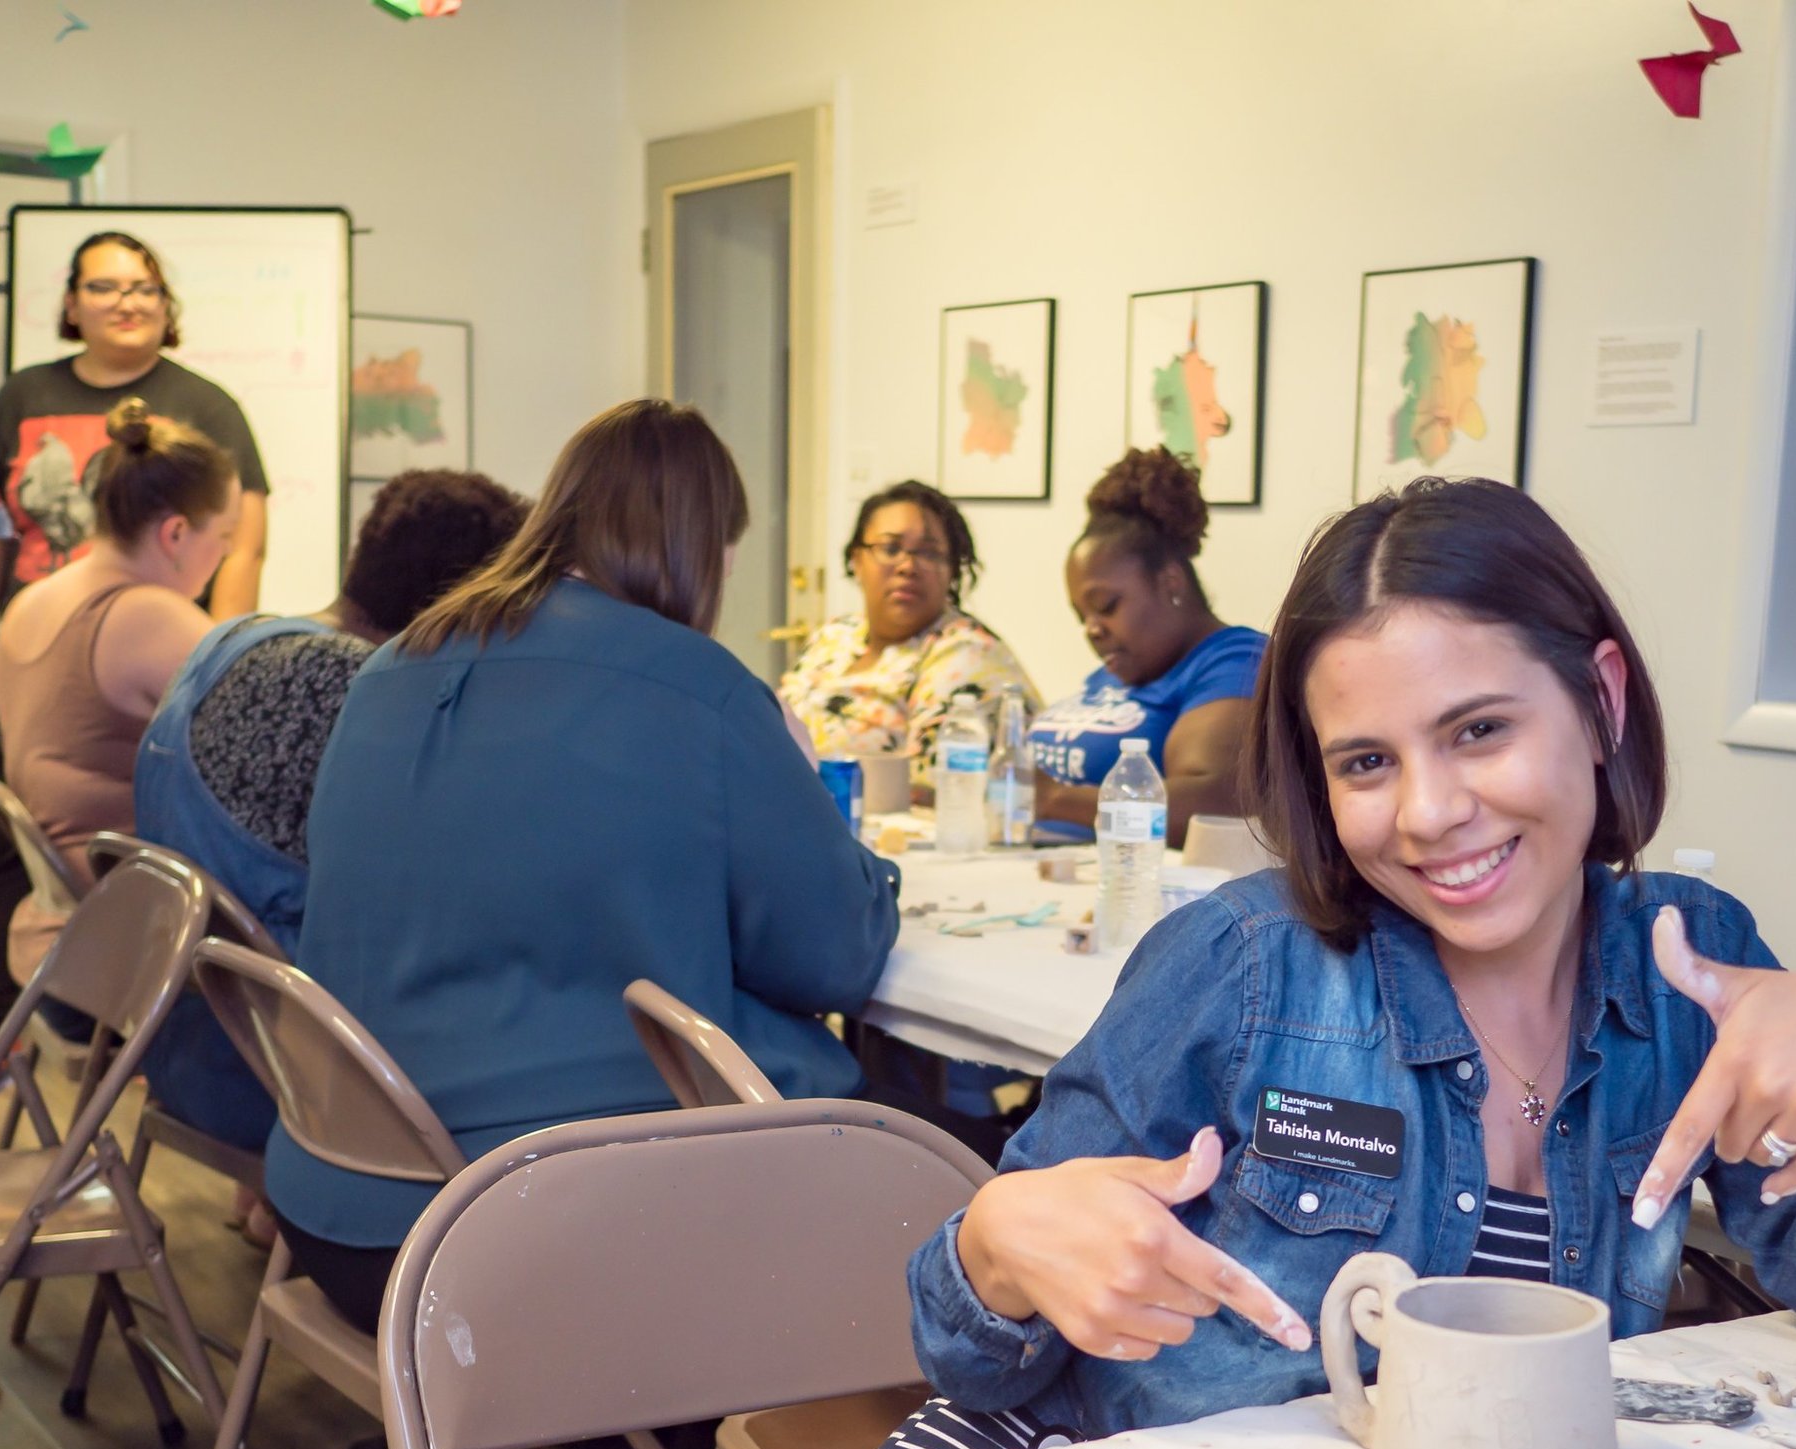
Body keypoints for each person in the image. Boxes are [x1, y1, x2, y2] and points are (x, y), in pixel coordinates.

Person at [865, 478, 1796, 1449]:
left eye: (1477, 732)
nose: (1427, 814)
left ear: (1600, 699)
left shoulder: (1687, 972)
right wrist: (999, 1240)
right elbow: (967, 1348)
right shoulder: (1245, 965)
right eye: (1367, 761)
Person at [266, 400, 904, 1332]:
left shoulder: (389, 667)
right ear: (700, 547)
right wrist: (811, 791)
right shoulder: (702, 687)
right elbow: (836, 959)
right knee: (921, 1139)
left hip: (334, 1202)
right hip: (513, 1231)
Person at [0, 228, 272, 1088]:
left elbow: (243, 547)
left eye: (144, 286)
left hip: (115, 664)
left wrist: (218, 645)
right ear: (71, 304)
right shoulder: (28, 397)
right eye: (106, 287)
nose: (128, 302)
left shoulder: (202, 405)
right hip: (121, 903)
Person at [131, 467, 528, 1154]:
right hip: (279, 1089)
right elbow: (436, 902)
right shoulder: (358, 691)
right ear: (461, 599)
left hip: (170, 1040)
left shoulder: (240, 640)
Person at [0, 400, 237, 976]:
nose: (224, 554)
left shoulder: (34, 599)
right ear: (176, 533)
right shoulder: (149, 616)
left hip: (58, 923)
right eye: (223, 535)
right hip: (126, 936)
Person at [1029, 447, 1265, 846]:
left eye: (1106, 606)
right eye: (1080, 615)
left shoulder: (1235, 662)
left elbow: (1208, 807)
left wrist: (1053, 800)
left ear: (1170, 583)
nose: (1091, 629)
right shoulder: (1116, 673)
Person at [778, 479, 1036, 791]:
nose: (908, 566)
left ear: (953, 570)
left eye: (929, 553)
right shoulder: (834, 636)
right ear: (856, 560)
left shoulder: (968, 653)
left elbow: (939, 786)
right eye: (890, 548)